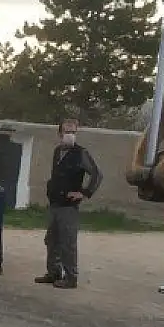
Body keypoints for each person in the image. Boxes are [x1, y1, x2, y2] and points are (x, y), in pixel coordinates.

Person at [33, 119, 102, 289]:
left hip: (68, 206)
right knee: (51, 240)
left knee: (67, 242)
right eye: (66, 131)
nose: (70, 135)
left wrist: (84, 193)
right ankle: (53, 273)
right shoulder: (57, 151)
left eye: (73, 132)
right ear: (60, 134)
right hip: (55, 203)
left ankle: (71, 278)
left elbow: (97, 174)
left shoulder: (81, 153)